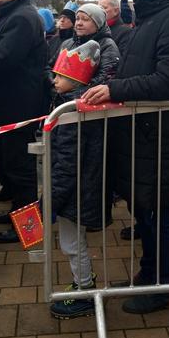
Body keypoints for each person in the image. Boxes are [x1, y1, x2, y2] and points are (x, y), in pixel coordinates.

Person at [82, 0, 169, 314]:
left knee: (159, 212)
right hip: (141, 134)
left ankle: (164, 287)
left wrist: (116, 89)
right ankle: (149, 274)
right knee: (144, 211)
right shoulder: (150, 18)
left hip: (160, 136)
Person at [0, 0, 46, 243]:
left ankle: (28, 229)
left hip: (17, 105)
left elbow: (2, 60)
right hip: (7, 104)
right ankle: (16, 212)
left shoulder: (22, 17)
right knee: (10, 164)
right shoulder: (12, 14)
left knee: (21, 169)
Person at [49, 40, 113, 319]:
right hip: (81, 189)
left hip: (73, 192)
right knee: (76, 243)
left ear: (75, 78)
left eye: (60, 76)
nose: (54, 80)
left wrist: (50, 201)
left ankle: (85, 290)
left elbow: (66, 164)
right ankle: (84, 280)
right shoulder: (74, 105)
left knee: (73, 245)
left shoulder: (71, 112)